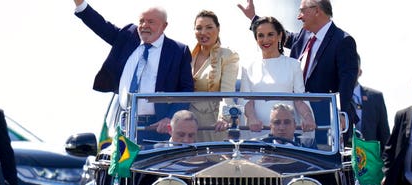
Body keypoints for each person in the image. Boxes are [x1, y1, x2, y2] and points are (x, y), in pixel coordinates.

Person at [72, 0, 194, 142]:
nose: (144, 26)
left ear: (164, 25)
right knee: (120, 164)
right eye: (141, 21)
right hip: (123, 125)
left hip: (156, 128)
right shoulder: (128, 37)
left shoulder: (178, 51)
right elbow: (101, 26)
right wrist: (80, 3)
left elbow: (186, 90)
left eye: (151, 22)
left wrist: (171, 118)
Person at [238, 0, 358, 141]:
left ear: (317, 11)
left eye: (302, 11)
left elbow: (347, 82)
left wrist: (340, 113)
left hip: (327, 118)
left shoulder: (343, 40)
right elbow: (275, 34)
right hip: (295, 120)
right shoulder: (304, 35)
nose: (298, 17)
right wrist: (254, 18)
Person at [239, 16, 315, 135]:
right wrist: (252, 118)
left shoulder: (294, 65)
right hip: (257, 130)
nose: (265, 40)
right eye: (261, 35)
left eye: (270, 34)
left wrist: (308, 117)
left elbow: (299, 99)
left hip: (286, 132)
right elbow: (247, 101)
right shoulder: (248, 67)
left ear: (279, 35)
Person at [189, 10, 239, 142]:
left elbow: (227, 93)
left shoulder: (228, 55)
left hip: (214, 123)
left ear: (218, 29)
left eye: (209, 27)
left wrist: (224, 118)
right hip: (188, 124)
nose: (203, 32)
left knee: (215, 160)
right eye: (199, 28)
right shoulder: (187, 55)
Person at [352, 54, 390, 153]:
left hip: (369, 159)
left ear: (360, 72)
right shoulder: (332, 98)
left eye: (352, 68)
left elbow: (384, 134)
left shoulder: (375, 97)